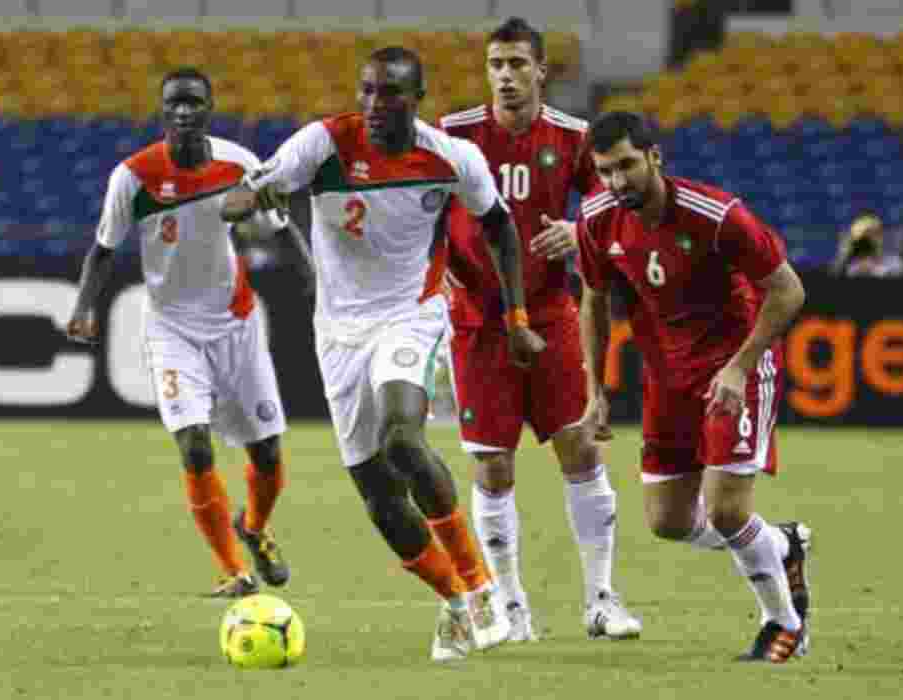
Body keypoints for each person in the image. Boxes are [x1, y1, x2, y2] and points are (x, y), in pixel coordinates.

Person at [221, 47, 546, 662]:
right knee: (377, 494)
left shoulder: (451, 157)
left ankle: (482, 588)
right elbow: (244, 194)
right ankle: (454, 603)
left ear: (416, 99)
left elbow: (501, 226)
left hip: (410, 315)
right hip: (337, 333)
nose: (374, 104)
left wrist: (517, 316)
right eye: (367, 91)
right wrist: (248, 199)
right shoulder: (323, 144)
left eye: (390, 93)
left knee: (403, 439)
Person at [577, 111, 813, 663]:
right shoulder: (595, 220)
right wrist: (595, 388)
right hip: (667, 378)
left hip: (734, 369)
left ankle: (785, 625)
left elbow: (788, 291)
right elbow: (592, 301)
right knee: (669, 522)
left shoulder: (717, 215)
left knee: (727, 510)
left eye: (627, 166)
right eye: (605, 171)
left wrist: (739, 367)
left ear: (654, 157)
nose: (617, 181)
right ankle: (781, 544)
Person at [438, 16, 640, 642]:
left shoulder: (574, 138)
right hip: (478, 320)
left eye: (518, 64)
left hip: (551, 314)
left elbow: (616, 203)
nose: (506, 76)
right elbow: (419, 210)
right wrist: (433, 272)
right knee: (492, 465)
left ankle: (601, 600)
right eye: (496, 64)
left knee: (579, 449)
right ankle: (510, 607)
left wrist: (578, 232)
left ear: (541, 71)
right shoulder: (453, 134)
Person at [66, 68, 302, 598]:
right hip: (171, 329)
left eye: (193, 101)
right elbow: (103, 250)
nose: (183, 110)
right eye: (174, 102)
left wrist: (314, 286)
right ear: (162, 109)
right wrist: (84, 307)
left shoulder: (240, 164)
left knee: (267, 453)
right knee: (194, 447)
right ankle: (232, 569)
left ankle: (255, 528)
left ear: (209, 108)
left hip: (236, 324)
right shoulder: (134, 177)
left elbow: (284, 231)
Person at [828, 212, 903, 278]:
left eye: (877, 233)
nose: (873, 239)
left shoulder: (895, 262)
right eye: (867, 234)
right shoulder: (850, 266)